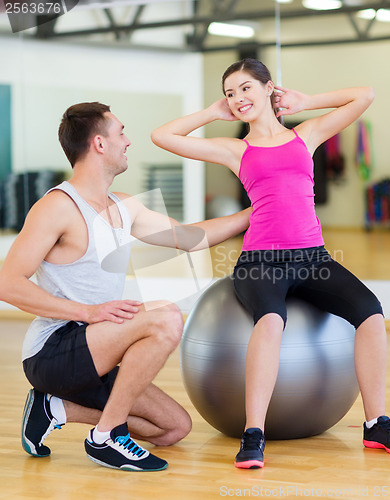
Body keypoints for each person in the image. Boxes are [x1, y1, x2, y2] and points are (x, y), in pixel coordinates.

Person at [151, 58, 390, 469]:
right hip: (261, 261)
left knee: (371, 312)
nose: (237, 98)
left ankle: (375, 423)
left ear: (267, 89)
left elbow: (365, 95)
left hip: (314, 259)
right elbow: (162, 136)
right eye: (229, 93)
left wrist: (308, 100)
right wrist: (211, 113)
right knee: (272, 319)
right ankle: (253, 431)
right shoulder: (235, 149)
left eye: (245, 89)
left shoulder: (306, 135)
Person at [0, 102, 251, 472]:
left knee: (173, 428)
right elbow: (7, 283)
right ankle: (105, 437)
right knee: (165, 317)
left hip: (95, 350)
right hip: (53, 353)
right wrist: (86, 312)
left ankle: (54, 408)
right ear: (99, 143)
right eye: (121, 132)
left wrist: (257, 210)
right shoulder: (57, 206)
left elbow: (190, 237)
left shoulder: (124, 206)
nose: (128, 141)